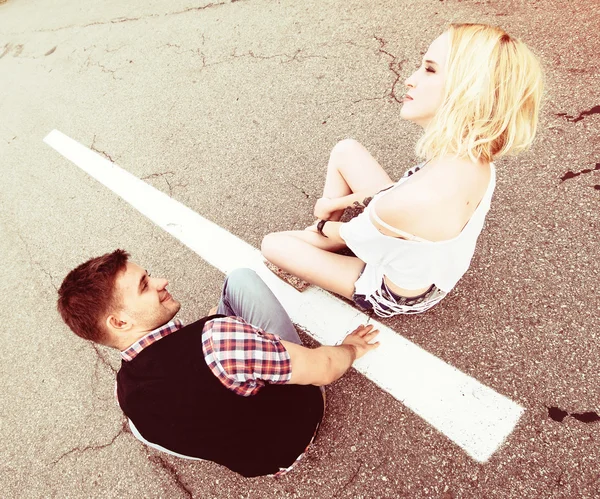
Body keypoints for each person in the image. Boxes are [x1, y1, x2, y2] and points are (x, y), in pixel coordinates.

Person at [261, 23, 544, 317]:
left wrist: (323, 219)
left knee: (273, 244)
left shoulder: (410, 203)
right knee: (346, 150)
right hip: (422, 260)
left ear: (470, 91)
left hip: (395, 292)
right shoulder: (475, 157)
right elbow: (390, 197)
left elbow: (345, 233)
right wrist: (338, 205)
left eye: (430, 70)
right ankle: (318, 250)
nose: (410, 79)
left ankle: (312, 260)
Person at [56, 249, 379, 478]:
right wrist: (350, 347)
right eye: (145, 286)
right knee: (240, 281)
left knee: (141, 428)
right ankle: (255, 354)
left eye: (148, 276)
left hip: (261, 464)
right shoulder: (216, 338)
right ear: (120, 322)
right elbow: (324, 368)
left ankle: (246, 360)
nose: (162, 281)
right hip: (300, 420)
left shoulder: (125, 393)